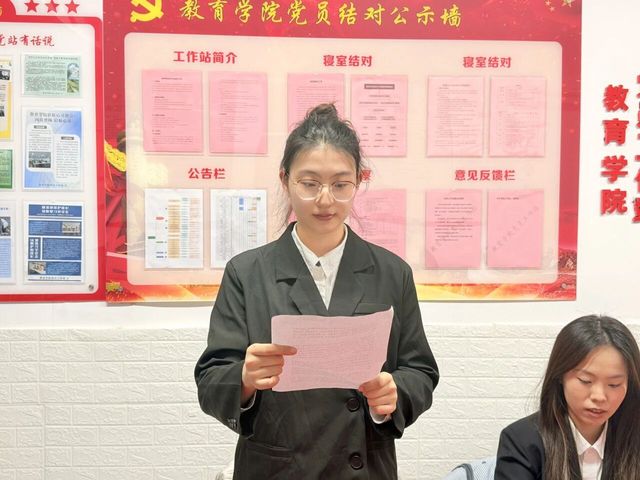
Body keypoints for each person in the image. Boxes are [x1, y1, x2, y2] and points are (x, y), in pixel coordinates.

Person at [195, 104, 439, 479]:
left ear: (359, 181)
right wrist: (244, 378)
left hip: (363, 466)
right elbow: (211, 379)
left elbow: (420, 370)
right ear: (285, 180)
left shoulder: (392, 273)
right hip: (275, 469)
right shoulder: (247, 273)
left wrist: (395, 392)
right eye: (309, 184)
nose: (325, 200)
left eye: (340, 185)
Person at [495, 315, 640, 480]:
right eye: (585, 381)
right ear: (560, 376)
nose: (599, 396)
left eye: (614, 384)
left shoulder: (635, 436)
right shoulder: (521, 440)